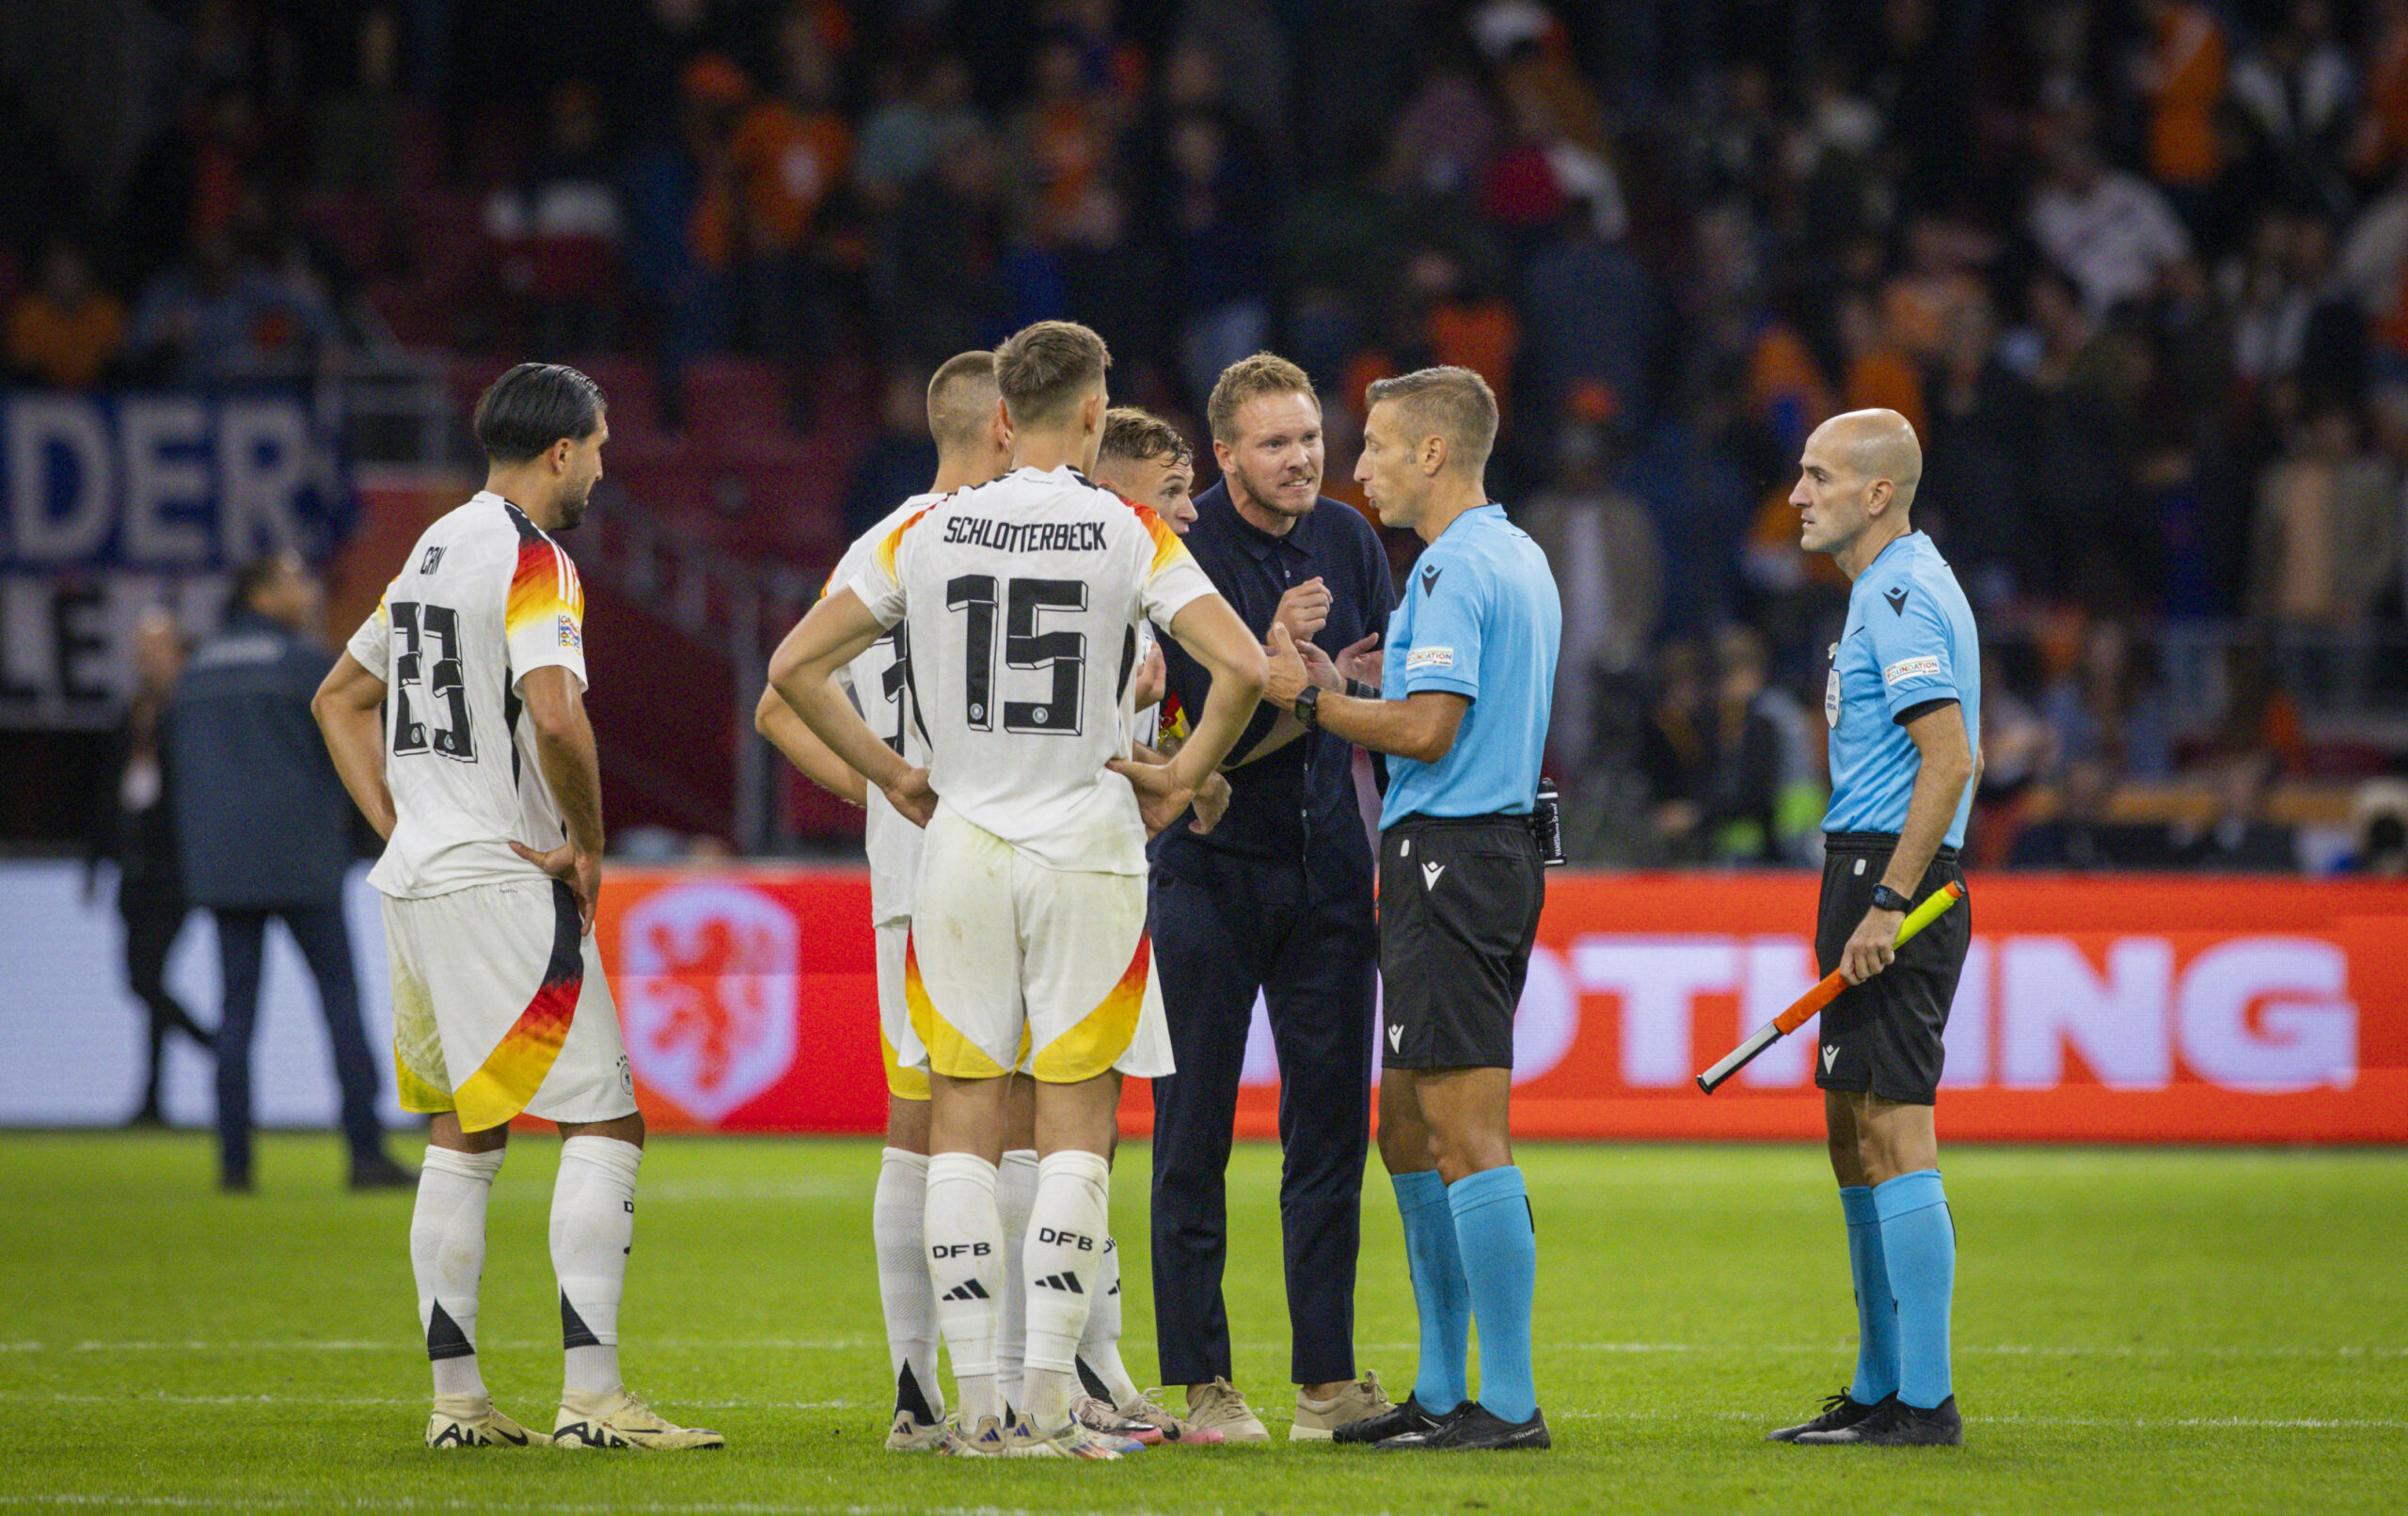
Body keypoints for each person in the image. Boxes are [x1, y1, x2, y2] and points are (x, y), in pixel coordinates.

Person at [767, 320, 1268, 1461]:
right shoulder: (1124, 525)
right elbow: (1240, 664)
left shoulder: (926, 529)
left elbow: (790, 667)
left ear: (1002, 419)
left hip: (961, 843)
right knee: (1077, 1129)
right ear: (1093, 416)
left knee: (959, 1126)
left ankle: (976, 1404)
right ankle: (1050, 1398)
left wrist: (894, 774)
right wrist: (1182, 776)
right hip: (1084, 843)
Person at [311, 362, 722, 1452]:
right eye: (597, 445)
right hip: (503, 880)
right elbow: (554, 712)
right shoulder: (535, 559)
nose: (602, 463)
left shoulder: (434, 547)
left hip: (417, 880)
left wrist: (404, 824)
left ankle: (458, 1405)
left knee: (464, 1131)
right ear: (558, 452)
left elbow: (340, 700)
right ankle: (593, 1398)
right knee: (605, 1119)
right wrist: (587, 842)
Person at [1259, 366, 1560, 1453]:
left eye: (1379, 445)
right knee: (1405, 1126)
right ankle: (1439, 1388)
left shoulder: (1448, 568)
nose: (1360, 467)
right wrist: (1355, 688)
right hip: (1468, 853)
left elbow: (1430, 731)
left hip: (1455, 857)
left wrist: (1313, 698)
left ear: (1433, 452)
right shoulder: (1512, 555)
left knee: (1467, 1133)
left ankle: (1508, 1402)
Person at [754, 351, 1012, 1451]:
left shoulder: (885, 544)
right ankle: (988, 1388)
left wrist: (879, 790)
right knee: (988, 1126)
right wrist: (897, 785)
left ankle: (925, 1390)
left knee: (930, 1125)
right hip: (983, 869)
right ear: (1006, 425)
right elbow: (779, 701)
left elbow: (780, 707)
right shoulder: (1004, 538)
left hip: (917, 875)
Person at [1144, 353, 1397, 1444]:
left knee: (1330, 1132)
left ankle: (1325, 1384)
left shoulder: (1350, 539)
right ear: (1225, 455)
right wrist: (1278, 664)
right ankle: (1204, 1386)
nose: (1302, 459)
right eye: (1276, 443)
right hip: (1206, 874)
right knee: (1191, 1130)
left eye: (1310, 438)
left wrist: (1322, 686)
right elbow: (1192, 758)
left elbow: (1380, 686)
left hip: (1329, 874)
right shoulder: (1175, 548)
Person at [1768, 407, 1980, 1448]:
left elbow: (1951, 759)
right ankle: (1877, 1381)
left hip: (1896, 884)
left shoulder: (1896, 595)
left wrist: (1889, 903)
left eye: (1815, 476)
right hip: (1863, 872)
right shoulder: (1883, 592)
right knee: (1853, 1133)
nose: (1797, 494)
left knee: (1895, 1132)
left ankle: (1922, 1398)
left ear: (1876, 493)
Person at [169, 553, 409, 1194]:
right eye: (296, 578)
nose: (308, 589)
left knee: (235, 1016)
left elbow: (179, 778)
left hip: (222, 869)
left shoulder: (194, 672)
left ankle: (235, 1166)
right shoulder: (309, 666)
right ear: (263, 592)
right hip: (303, 862)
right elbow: (353, 753)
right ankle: (364, 1153)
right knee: (339, 1003)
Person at [88, 608, 211, 1125]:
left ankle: (213, 1047)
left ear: (178, 654)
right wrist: (95, 862)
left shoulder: (191, 713)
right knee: (144, 982)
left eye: (156, 649)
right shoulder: (131, 713)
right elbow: (108, 794)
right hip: (133, 872)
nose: (146, 660)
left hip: (174, 871)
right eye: (141, 650)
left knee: (146, 978)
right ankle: (154, 1098)